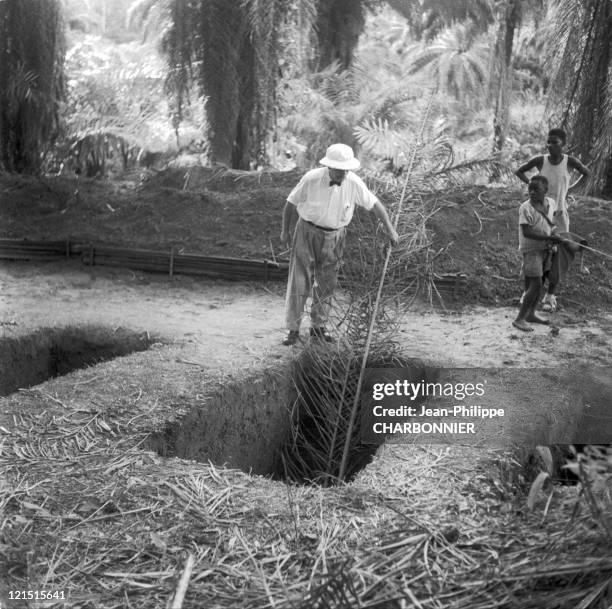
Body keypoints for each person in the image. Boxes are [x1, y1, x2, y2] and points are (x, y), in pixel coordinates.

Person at [280, 143, 399, 346]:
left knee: (327, 284)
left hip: (335, 237)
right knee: (299, 281)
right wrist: (285, 230)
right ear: (329, 167)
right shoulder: (312, 179)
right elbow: (291, 202)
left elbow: (376, 205)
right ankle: (293, 329)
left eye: (346, 170)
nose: (343, 174)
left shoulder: (353, 182)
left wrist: (390, 230)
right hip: (306, 232)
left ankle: (318, 328)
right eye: (339, 170)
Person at [515, 127, 590, 311]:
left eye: (554, 142)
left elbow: (586, 173)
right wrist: (534, 187)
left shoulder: (569, 162)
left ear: (563, 144)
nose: (550, 145)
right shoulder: (541, 161)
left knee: (558, 255)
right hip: (541, 213)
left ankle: (550, 296)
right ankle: (530, 293)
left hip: (560, 214)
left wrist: (570, 189)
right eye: (548, 142)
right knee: (538, 251)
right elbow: (519, 171)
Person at [513, 175, 565, 332]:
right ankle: (519, 319)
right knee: (535, 285)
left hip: (545, 250)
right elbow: (527, 232)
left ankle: (531, 314)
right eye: (530, 189)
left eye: (537, 189)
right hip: (531, 251)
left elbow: (552, 223)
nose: (532, 192)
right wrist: (550, 237)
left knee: (539, 283)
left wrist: (555, 234)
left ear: (546, 191)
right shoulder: (525, 208)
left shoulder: (551, 203)